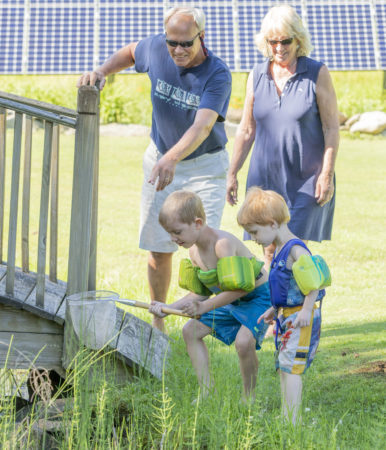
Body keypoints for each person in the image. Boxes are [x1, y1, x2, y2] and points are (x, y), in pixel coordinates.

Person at [77, 6, 232, 332]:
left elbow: (203, 126)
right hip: (160, 159)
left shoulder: (217, 74)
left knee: (204, 250)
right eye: (171, 42)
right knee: (159, 248)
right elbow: (132, 52)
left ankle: (202, 321)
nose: (177, 50)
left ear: (201, 38)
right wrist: (102, 71)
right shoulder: (157, 49)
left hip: (204, 167)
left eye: (185, 44)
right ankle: (157, 325)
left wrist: (172, 158)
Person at [226, 4, 339, 268]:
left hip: (306, 179)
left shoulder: (317, 73)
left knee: (293, 249)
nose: (279, 48)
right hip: (265, 179)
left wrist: (327, 174)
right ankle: (273, 307)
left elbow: (331, 128)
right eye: (272, 41)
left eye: (285, 41)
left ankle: (302, 307)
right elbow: (246, 129)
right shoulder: (256, 75)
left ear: (298, 39)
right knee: (267, 248)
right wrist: (233, 173)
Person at [149, 190, 271, 401]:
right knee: (191, 330)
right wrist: (166, 309)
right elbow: (199, 294)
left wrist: (205, 308)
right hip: (230, 299)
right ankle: (207, 391)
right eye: (169, 233)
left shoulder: (222, 244)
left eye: (177, 231)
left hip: (258, 298)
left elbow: (241, 288)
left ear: (197, 223)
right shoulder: (194, 253)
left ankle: (249, 398)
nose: (172, 238)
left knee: (243, 342)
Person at [237, 187, 328, 423]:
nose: (253, 238)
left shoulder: (296, 249)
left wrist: (307, 309)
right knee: (283, 364)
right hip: (285, 317)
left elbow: (314, 282)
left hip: (300, 317)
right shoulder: (278, 249)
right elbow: (286, 287)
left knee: (292, 367)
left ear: (272, 223)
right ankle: (287, 415)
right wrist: (273, 308)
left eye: (255, 232)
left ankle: (292, 420)